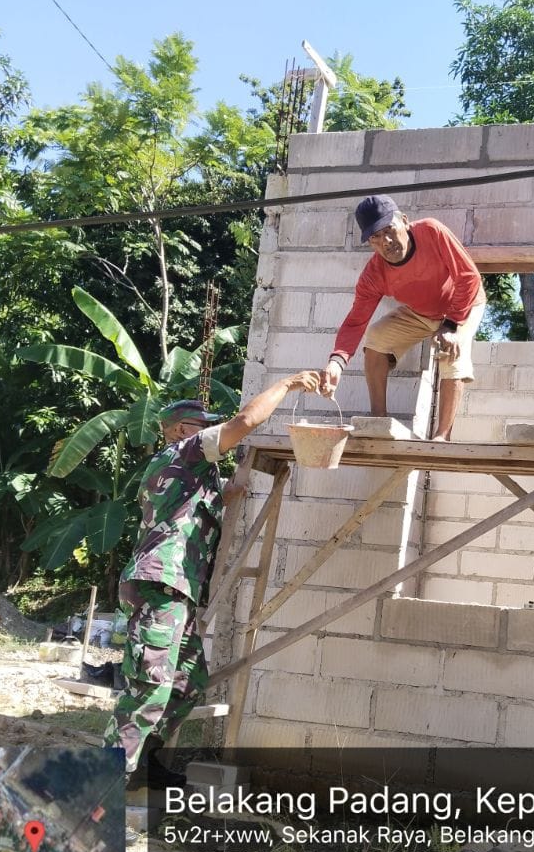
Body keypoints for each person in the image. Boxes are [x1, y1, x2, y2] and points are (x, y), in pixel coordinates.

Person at [103, 372, 320, 779]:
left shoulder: (190, 476)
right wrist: (287, 385)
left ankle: (147, 765)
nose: (212, 433)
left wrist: (233, 486)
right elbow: (245, 422)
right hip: (159, 585)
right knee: (150, 686)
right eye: (203, 426)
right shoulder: (182, 453)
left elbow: (213, 497)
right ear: (181, 430)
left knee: (186, 682)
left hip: (176, 590)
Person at [319, 195, 486, 442]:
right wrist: (336, 362)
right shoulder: (374, 274)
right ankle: (378, 421)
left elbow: (468, 277)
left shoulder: (431, 231)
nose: (386, 242)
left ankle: (442, 436)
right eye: (375, 237)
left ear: (405, 221)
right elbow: (356, 321)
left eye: (389, 230)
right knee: (376, 337)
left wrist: (451, 324)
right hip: (421, 313)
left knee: (452, 351)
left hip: (463, 304)